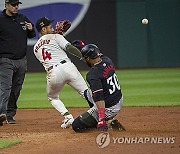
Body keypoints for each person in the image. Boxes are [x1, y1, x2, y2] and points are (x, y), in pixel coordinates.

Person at [33, 17, 94, 129]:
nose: (52, 26)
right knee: (85, 92)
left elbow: (49, 48)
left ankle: (68, 117)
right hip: (68, 67)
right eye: (48, 26)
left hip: (53, 73)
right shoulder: (56, 36)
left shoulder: (35, 48)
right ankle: (101, 114)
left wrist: (59, 35)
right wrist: (84, 58)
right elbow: (69, 48)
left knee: (52, 97)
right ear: (42, 30)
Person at [72, 44, 125, 132]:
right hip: (118, 98)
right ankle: (99, 117)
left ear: (88, 58)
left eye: (85, 58)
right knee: (87, 93)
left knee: (76, 126)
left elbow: (99, 97)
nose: (85, 61)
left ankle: (105, 121)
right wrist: (83, 47)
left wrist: (101, 119)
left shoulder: (93, 74)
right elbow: (94, 53)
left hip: (109, 108)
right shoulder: (107, 60)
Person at [0, 0, 36, 126]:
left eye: (17, 5)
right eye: (13, 5)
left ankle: (9, 115)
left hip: (21, 60)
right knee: (5, 87)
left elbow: (32, 35)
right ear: (6, 5)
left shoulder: (22, 18)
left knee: (16, 89)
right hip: (5, 60)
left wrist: (31, 29)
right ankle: (1, 113)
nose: (16, 7)